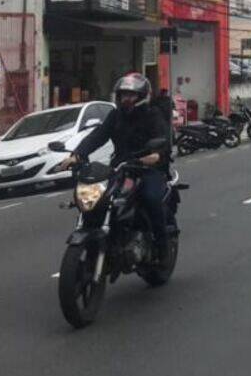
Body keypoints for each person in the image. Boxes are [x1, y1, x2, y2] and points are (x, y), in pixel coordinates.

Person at [57, 72, 173, 259]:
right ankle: (105, 235)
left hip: (148, 168)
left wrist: (156, 154)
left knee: (150, 198)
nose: (126, 99)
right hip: (121, 168)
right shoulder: (116, 115)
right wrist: (77, 155)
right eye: (123, 95)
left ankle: (161, 246)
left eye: (131, 95)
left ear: (142, 96)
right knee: (99, 198)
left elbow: (163, 139)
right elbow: (98, 136)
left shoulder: (153, 114)